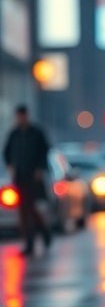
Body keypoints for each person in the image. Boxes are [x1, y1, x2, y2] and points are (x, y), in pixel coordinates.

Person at [3, 104, 51, 256]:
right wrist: (10, 166)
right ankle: (30, 242)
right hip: (19, 177)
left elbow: (45, 151)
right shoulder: (14, 134)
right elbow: (6, 152)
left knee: (31, 209)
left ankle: (43, 233)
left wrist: (40, 169)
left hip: (33, 177)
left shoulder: (36, 133)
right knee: (23, 211)